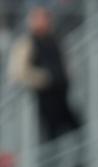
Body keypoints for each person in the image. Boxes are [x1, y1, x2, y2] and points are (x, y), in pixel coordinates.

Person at [8, 7, 81, 142]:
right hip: (44, 98)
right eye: (39, 18)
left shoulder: (54, 39)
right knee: (49, 137)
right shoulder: (27, 43)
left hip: (61, 95)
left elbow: (64, 63)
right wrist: (45, 78)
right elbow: (18, 73)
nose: (44, 21)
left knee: (77, 128)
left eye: (45, 18)